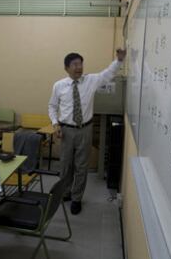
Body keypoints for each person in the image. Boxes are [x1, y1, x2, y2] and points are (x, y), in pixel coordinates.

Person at [48, 49, 126, 215]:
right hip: (66, 130)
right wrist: (55, 124)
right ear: (66, 68)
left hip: (85, 129)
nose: (79, 67)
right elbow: (52, 106)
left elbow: (107, 74)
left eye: (81, 64)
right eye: (75, 64)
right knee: (66, 165)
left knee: (81, 166)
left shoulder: (91, 80)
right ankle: (66, 192)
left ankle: (77, 199)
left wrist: (119, 61)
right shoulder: (59, 85)